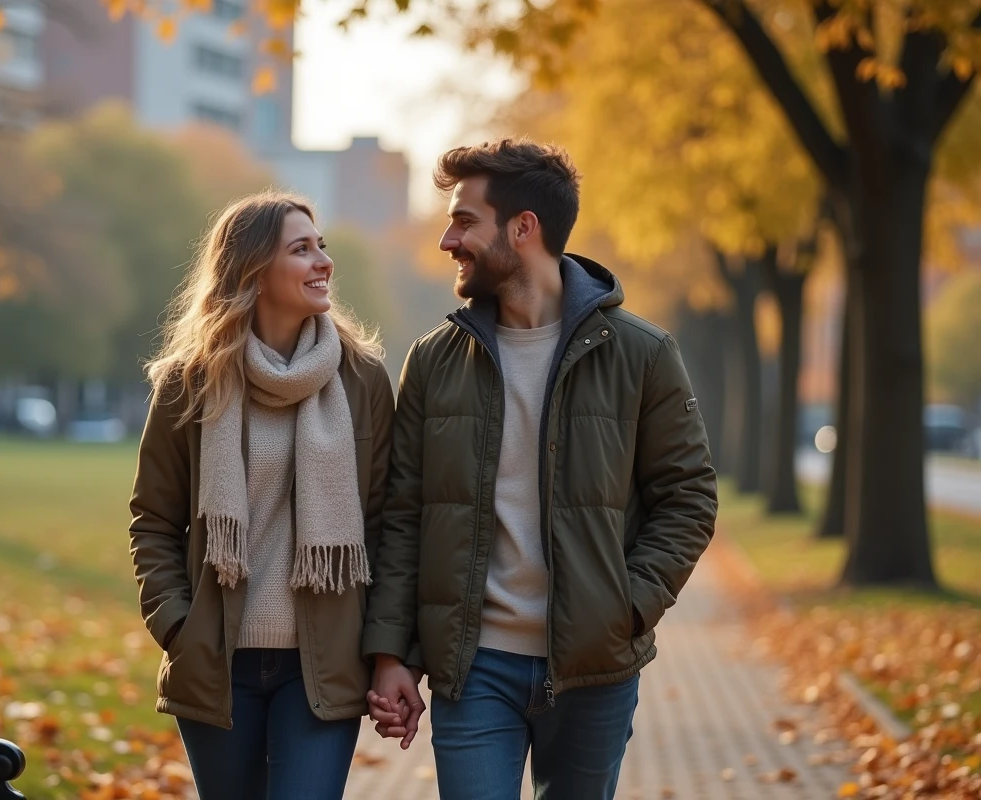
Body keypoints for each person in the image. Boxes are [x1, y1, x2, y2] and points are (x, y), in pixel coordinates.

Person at [363, 139, 719, 800]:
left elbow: (688, 496)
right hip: (474, 668)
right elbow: (403, 516)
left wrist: (628, 607)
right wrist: (392, 656)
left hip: (594, 670)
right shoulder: (434, 362)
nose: (448, 240)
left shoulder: (641, 354)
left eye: (464, 220)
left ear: (524, 228)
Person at [128, 191, 394, 799]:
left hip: (321, 666)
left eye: (321, 246)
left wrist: (382, 647)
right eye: (302, 249)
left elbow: (388, 524)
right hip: (218, 663)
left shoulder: (362, 379)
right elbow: (153, 520)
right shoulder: (189, 382)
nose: (324, 261)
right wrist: (178, 627)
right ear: (252, 271)